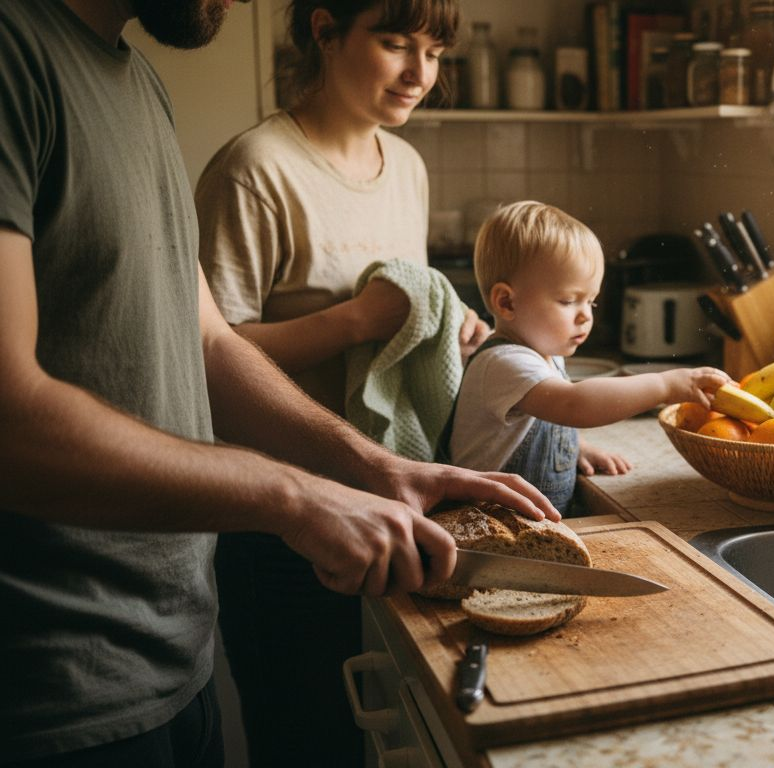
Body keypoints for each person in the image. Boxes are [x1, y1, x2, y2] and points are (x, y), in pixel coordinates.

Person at [0, 1, 557, 766]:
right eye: (397, 42)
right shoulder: (15, 56)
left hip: (171, 643)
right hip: (55, 678)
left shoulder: (138, 83)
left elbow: (207, 342)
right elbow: (11, 422)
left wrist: (374, 466)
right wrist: (295, 495)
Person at [191, 1, 498, 764]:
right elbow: (208, 356)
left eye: (434, 51)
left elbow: (403, 338)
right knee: (307, 739)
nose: (420, 74)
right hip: (281, 522)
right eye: (395, 43)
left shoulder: (409, 167)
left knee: (379, 733)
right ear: (325, 31)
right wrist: (360, 319)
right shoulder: (255, 168)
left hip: (385, 503)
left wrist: (450, 328)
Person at [444, 201, 731, 512]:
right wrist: (664, 386)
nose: (585, 317)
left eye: (590, 303)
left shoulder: (545, 355)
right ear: (507, 303)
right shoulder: (503, 363)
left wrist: (574, 449)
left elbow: (538, 422)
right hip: (488, 527)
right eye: (569, 301)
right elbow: (573, 404)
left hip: (525, 526)